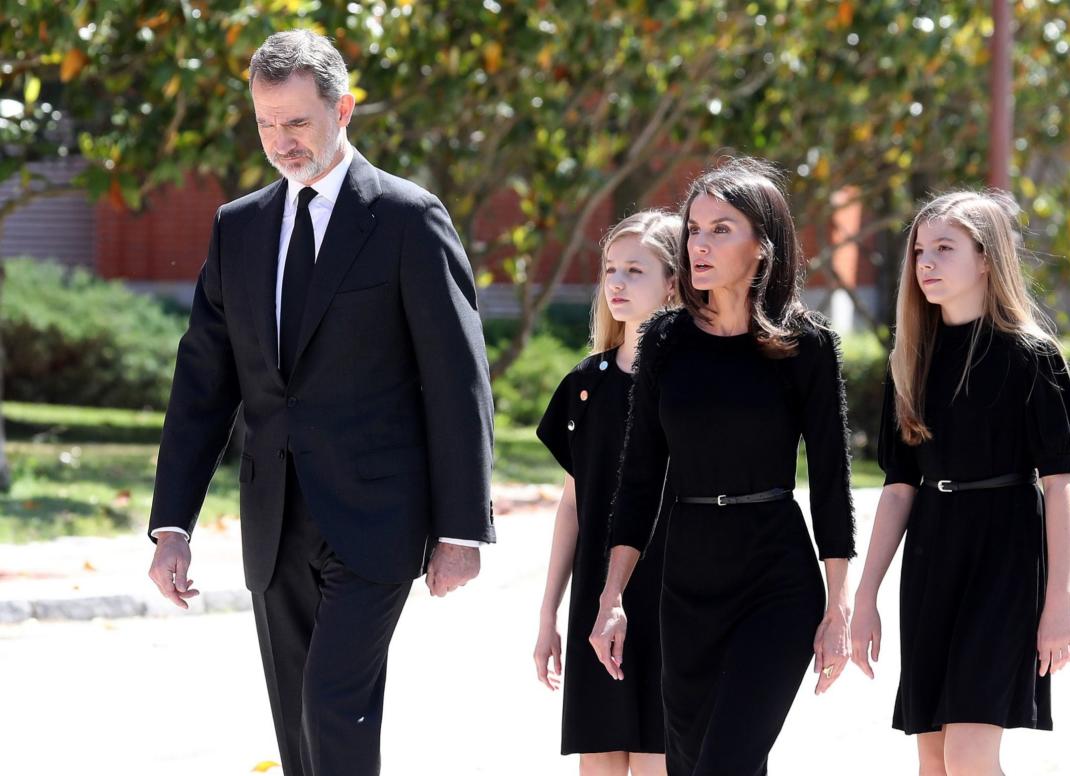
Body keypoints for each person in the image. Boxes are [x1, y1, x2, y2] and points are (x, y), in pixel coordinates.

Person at [144, 30, 494, 776]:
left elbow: (457, 378)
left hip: (377, 518)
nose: (282, 141)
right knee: (296, 719)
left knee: (334, 703)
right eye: (267, 123)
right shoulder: (237, 228)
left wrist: (462, 527)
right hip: (275, 521)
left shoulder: (407, 218)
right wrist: (171, 525)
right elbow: (203, 385)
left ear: (345, 108)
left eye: (297, 122)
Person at [589, 158, 855, 776]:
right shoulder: (664, 340)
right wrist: (611, 597)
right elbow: (639, 480)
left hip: (777, 583)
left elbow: (833, 483)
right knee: (690, 763)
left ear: (763, 248)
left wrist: (837, 607)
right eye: (693, 229)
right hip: (687, 585)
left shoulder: (807, 346)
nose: (698, 245)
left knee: (727, 762)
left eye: (720, 230)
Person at [849, 190, 1070, 775]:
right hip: (932, 558)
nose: (925, 262)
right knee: (934, 760)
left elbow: (1058, 486)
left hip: (1005, 556)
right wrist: (865, 596)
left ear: (986, 258)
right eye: (920, 250)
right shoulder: (911, 360)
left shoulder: (1032, 357)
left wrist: (1058, 602)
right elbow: (899, 488)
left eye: (945, 249)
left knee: (969, 757)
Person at [534, 210, 681, 776]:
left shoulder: (690, 389)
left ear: (673, 282)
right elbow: (573, 505)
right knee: (597, 763)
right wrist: (549, 614)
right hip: (598, 603)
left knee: (655, 762)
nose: (616, 283)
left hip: (671, 598)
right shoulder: (583, 385)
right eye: (610, 269)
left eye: (635, 271)